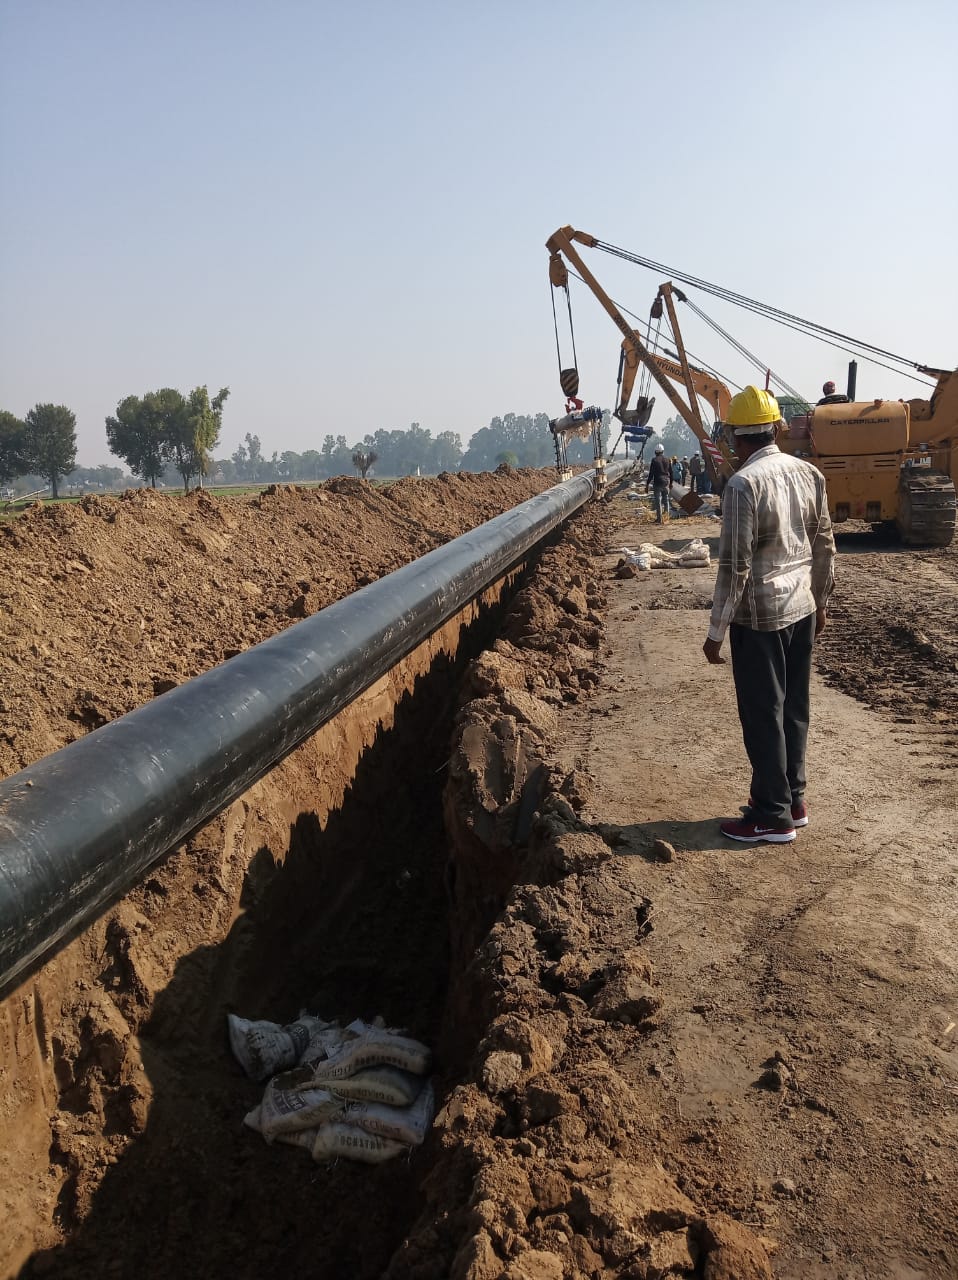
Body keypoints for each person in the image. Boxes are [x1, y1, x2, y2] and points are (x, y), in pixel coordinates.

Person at [702, 385, 836, 844]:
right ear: (776, 429)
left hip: (760, 618)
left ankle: (771, 816)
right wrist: (822, 601)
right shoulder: (809, 474)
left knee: (763, 714)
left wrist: (716, 631)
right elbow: (824, 544)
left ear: (736, 439)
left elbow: (734, 565)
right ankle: (793, 800)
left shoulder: (743, 485)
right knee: (794, 708)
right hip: (802, 608)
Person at [644, 443, 672, 523]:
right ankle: (666, 518)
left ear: (655, 452)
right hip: (666, 482)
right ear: (663, 451)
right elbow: (671, 472)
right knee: (666, 500)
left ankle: (659, 519)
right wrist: (671, 483)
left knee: (658, 501)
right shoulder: (667, 460)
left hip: (658, 482)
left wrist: (647, 484)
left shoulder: (654, 460)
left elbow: (651, 473)